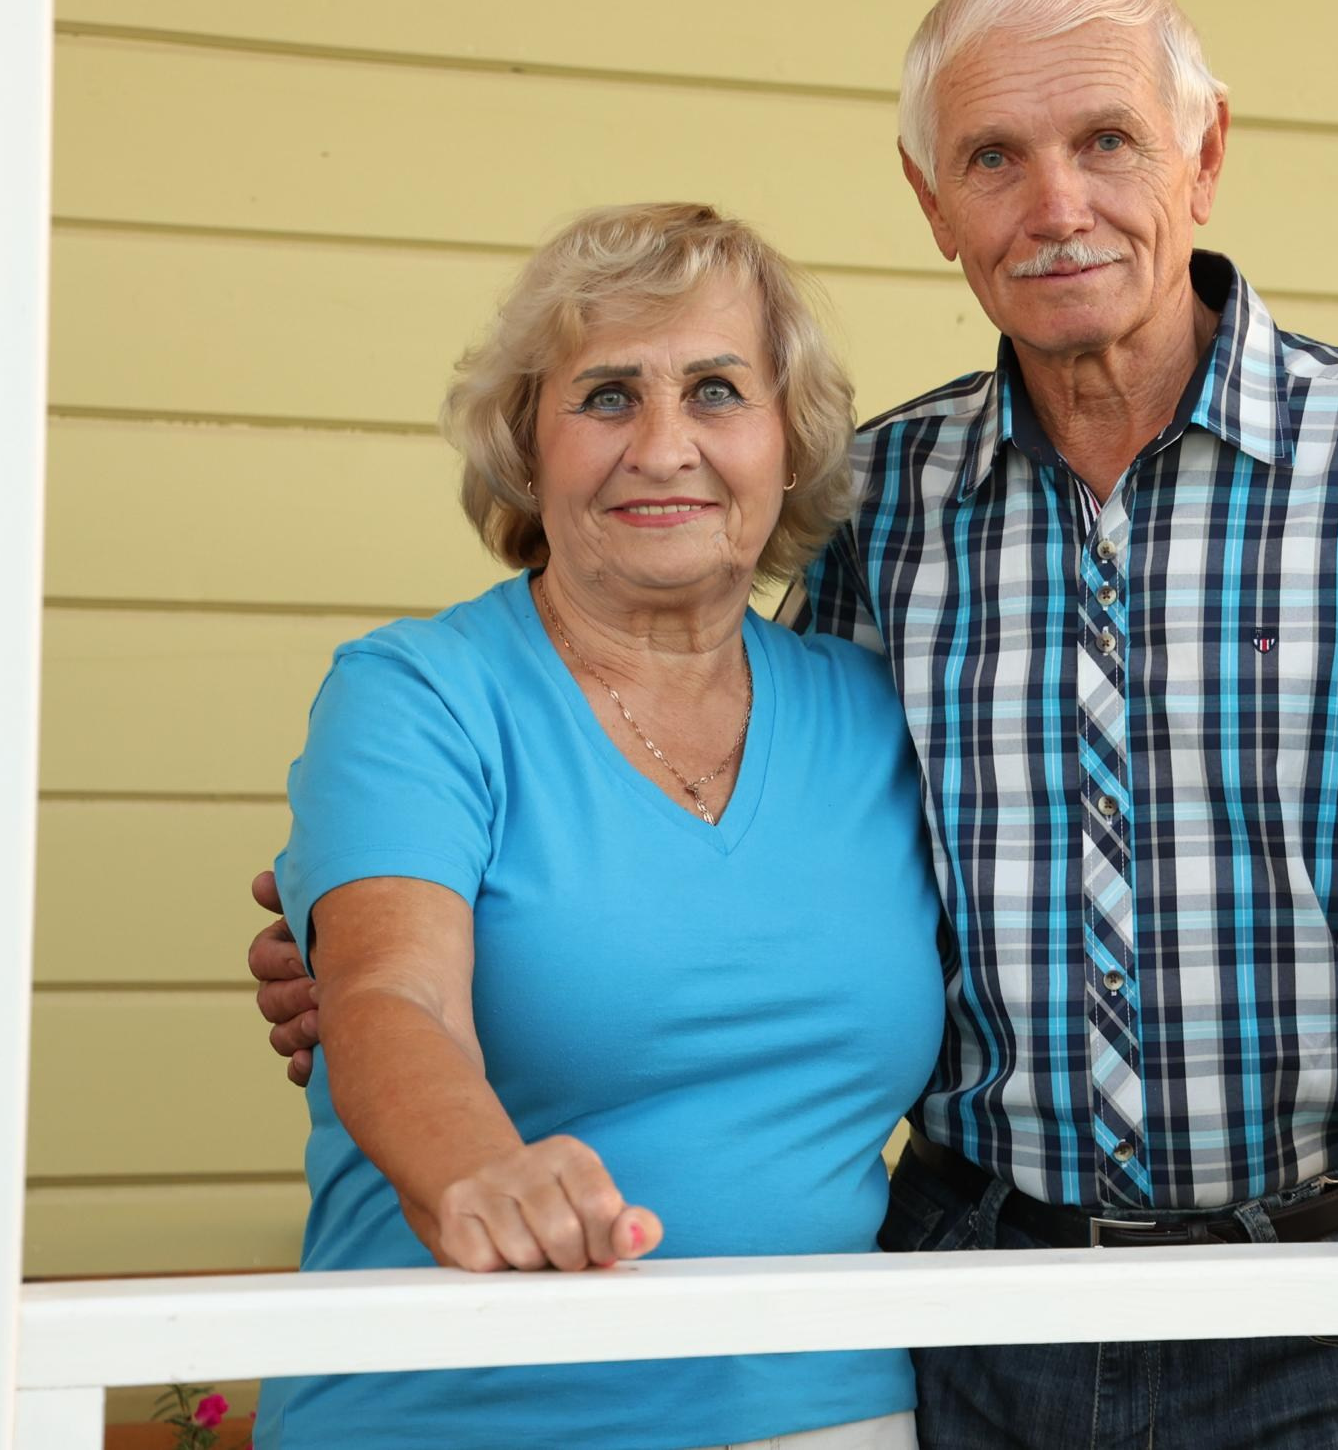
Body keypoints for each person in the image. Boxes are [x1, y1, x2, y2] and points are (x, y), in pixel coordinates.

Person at [260, 0, 1338, 1450]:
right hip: (970, 1312)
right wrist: (353, 952)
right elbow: (676, 851)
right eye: (993, 157)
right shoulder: (885, 505)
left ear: (1205, 156)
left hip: (1322, 1305)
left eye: (1107, 142)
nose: (1055, 204)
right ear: (933, 203)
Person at [251, 204, 951, 1450]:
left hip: (828, 1415)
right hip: (461, 1412)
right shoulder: (419, 694)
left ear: (789, 445)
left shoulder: (874, 714)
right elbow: (386, 1000)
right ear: (527, 445)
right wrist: (481, 1167)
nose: (664, 445)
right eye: (609, 397)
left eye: (719, 391)